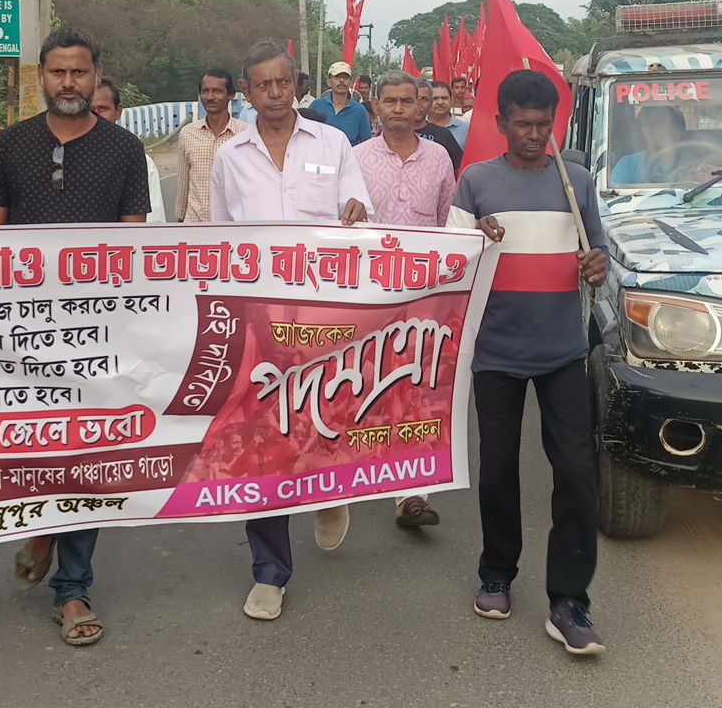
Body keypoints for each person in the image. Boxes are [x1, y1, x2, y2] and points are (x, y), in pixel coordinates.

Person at [0, 27, 153, 647]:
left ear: (95, 72)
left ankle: (73, 590)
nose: (69, 84)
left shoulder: (126, 149)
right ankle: (39, 525)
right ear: (41, 77)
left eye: (79, 73)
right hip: (19, 334)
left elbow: (134, 245)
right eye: (57, 73)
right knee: (32, 447)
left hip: (99, 331)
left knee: (88, 453)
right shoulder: (9, 146)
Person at [448, 69, 610, 656]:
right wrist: (475, 239)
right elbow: (449, 265)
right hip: (495, 353)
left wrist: (597, 264)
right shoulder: (475, 183)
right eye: (523, 125)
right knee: (498, 469)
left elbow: (599, 252)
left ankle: (570, 601)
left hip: (564, 351)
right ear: (501, 124)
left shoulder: (578, 183)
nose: (535, 136)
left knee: (574, 471)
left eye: (544, 125)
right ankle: (497, 574)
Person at [211, 41, 372, 622]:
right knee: (264, 440)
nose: (275, 94)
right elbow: (220, 238)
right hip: (262, 318)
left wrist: (356, 210)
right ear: (246, 94)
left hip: (328, 314)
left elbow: (362, 207)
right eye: (263, 86)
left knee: (324, 413)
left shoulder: (333, 143)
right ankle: (270, 572)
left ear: (296, 86)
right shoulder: (230, 158)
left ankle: (330, 492)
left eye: (284, 83)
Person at [353, 71, 457, 529]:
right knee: (366, 389)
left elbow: (448, 224)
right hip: (365, 296)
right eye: (389, 100)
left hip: (424, 298)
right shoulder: (352, 159)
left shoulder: (439, 158)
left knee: (417, 390)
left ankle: (412, 493)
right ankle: (350, 476)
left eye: (406, 101)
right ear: (375, 105)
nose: (398, 108)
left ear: (420, 107)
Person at [176, 69, 249, 223]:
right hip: (194, 226)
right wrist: (180, 222)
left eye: (217, 91)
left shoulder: (245, 134)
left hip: (231, 227)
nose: (210, 97)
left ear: (231, 95)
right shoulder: (188, 134)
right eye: (205, 91)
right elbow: (184, 185)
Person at [92, 79, 166, 222]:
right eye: (89, 110)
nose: (96, 117)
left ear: (118, 112)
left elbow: (152, 220)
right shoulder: (63, 158)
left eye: (103, 109)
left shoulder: (136, 159)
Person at [611, 107, 689, 185]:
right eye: (658, 123)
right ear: (645, 131)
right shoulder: (628, 165)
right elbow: (615, 196)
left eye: (673, 122)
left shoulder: (693, 164)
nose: (668, 129)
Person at [308, 60, 371, 145]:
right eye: (337, 77)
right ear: (329, 82)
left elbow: (366, 144)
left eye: (345, 77)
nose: (341, 80)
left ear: (351, 83)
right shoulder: (316, 106)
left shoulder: (359, 110)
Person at [413, 76, 464, 171]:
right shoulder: (393, 133)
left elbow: (459, 171)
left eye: (424, 99)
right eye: (414, 99)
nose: (419, 104)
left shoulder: (444, 134)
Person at [430, 82, 469, 152]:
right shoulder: (416, 128)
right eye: (435, 98)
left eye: (444, 98)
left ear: (451, 101)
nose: (440, 102)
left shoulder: (466, 130)